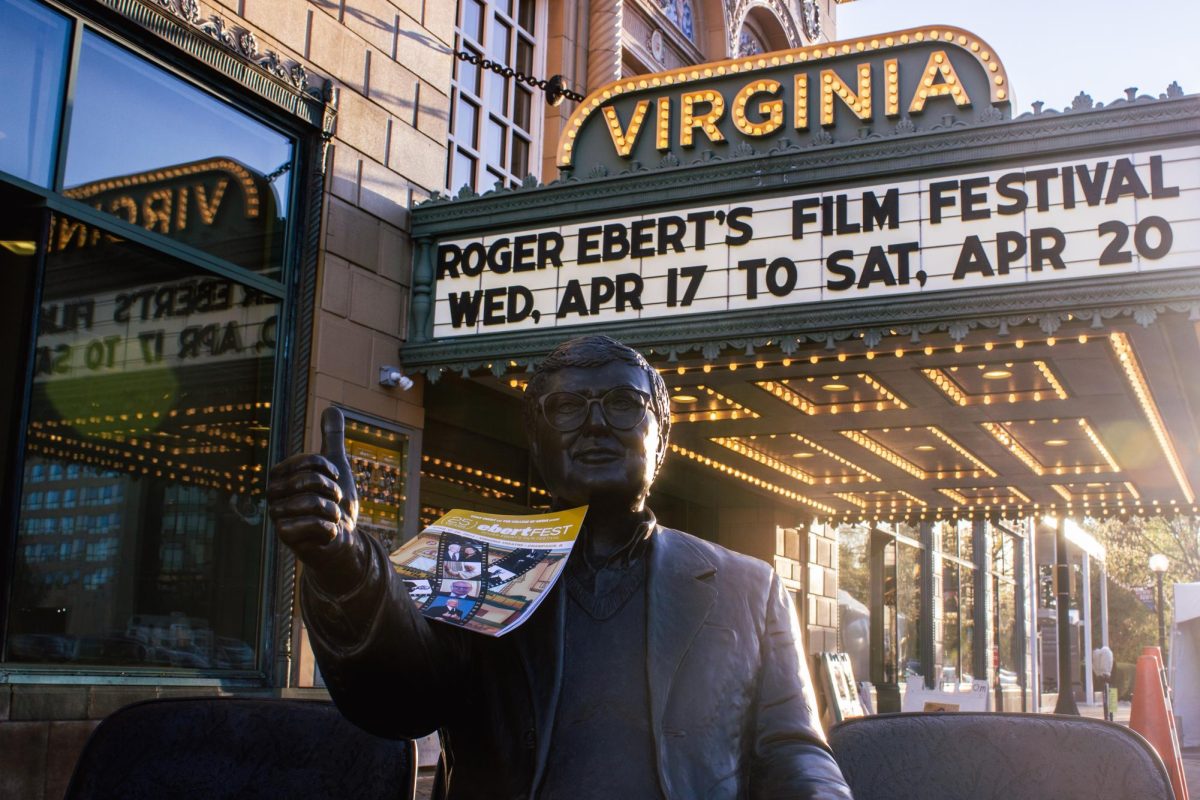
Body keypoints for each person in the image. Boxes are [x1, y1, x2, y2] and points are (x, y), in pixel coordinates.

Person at [267, 334, 852, 799]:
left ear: (662, 439)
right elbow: (400, 701)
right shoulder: (475, 560)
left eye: (624, 404)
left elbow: (793, 751)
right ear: (537, 441)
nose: (595, 424)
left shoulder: (750, 586)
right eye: (567, 408)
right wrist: (343, 564)